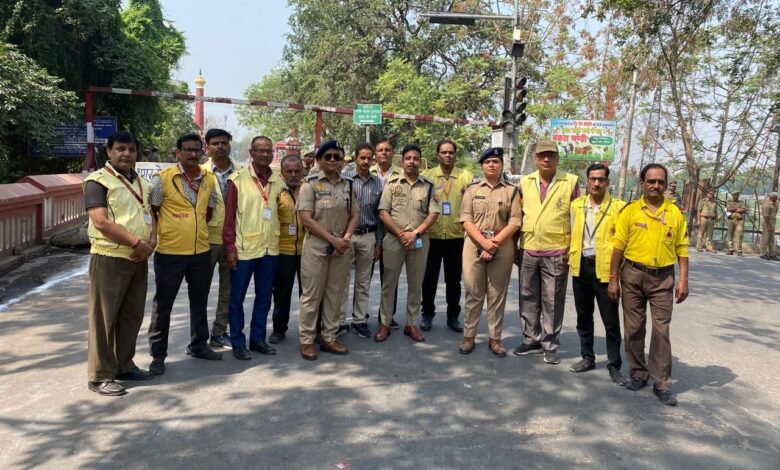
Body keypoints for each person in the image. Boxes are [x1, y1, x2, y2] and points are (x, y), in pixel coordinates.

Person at [608, 163, 689, 406]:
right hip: (632, 275)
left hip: (663, 278)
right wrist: (613, 279)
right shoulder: (630, 211)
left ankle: (662, 383)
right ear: (642, 183)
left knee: (661, 331)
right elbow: (618, 247)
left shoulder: (674, 213)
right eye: (651, 181)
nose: (656, 186)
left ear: (665, 185)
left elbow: (682, 249)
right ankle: (638, 373)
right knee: (633, 328)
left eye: (660, 182)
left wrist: (683, 279)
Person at [83, 131, 155, 396]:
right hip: (110, 257)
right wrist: (136, 243)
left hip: (138, 258)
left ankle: (124, 365)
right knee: (104, 320)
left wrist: (151, 242)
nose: (126, 154)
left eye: (131, 149)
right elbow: (100, 221)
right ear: (109, 152)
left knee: (131, 316)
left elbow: (150, 215)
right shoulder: (98, 181)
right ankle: (100, 376)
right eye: (121, 149)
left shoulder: (142, 182)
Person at [148, 133, 221, 375]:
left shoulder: (209, 179)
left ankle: (199, 345)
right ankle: (158, 355)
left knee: (199, 300)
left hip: (201, 250)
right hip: (170, 252)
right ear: (177, 153)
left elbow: (208, 212)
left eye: (196, 150)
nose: (193, 154)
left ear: (203, 152)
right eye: (187, 150)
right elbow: (153, 210)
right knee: (163, 305)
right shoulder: (163, 179)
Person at [514, 140, 579, 365]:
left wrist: (572, 251)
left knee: (552, 301)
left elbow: (577, 219)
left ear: (557, 159)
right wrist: (515, 247)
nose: (546, 159)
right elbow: (517, 216)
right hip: (529, 248)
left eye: (551, 155)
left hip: (557, 251)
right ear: (535, 159)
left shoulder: (570, 181)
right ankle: (531, 339)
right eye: (542, 155)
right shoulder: (525, 182)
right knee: (527, 297)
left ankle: (550, 344)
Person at [297, 140, 359, 360]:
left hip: (341, 246)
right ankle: (306, 340)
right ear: (319, 160)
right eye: (328, 156)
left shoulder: (348, 184)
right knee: (312, 295)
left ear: (342, 161)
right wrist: (333, 240)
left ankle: (329, 337)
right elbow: (306, 218)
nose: (333, 160)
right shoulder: (310, 185)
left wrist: (346, 238)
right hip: (317, 245)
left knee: (335, 294)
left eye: (337, 157)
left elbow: (355, 214)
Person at [222, 136, 282, 360]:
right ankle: (238, 341)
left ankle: (257, 339)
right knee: (236, 298)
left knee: (264, 297)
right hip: (244, 249)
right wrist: (230, 248)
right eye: (260, 151)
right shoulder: (237, 180)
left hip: (270, 249)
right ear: (251, 153)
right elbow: (229, 219)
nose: (265, 155)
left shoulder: (278, 180)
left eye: (268, 151)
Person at [568, 163, 627, 385]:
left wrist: (615, 277)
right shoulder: (576, 205)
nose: (596, 183)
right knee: (584, 316)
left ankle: (614, 364)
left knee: (610, 320)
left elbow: (623, 242)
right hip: (581, 266)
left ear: (608, 182)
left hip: (605, 269)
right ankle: (587, 357)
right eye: (592, 179)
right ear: (586, 180)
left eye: (601, 179)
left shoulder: (619, 208)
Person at [458, 148, 521, 357]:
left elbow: (515, 221)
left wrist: (493, 243)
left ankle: (495, 339)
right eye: (487, 162)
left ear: (502, 165)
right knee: (473, 293)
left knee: (496, 295)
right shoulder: (472, 190)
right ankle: (469, 336)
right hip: (474, 245)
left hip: (501, 246)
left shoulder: (512, 191)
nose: (491, 165)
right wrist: (484, 243)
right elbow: (466, 219)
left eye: (495, 161)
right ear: (482, 166)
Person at [374, 144, 439, 342]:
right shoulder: (392, 184)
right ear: (401, 162)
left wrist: (415, 233)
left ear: (420, 162)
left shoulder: (428, 186)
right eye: (408, 158)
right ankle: (385, 323)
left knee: (416, 285)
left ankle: (411, 324)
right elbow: (383, 212)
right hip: (394, 240)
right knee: (388, 284)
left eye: (416, 158)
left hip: (419, 241)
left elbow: (433, 213)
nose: (412, 161)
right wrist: (402, 234)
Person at [421, 138, 474, 333]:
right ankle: (427, 314)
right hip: (432, 236)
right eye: (444, 152)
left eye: (451, 152)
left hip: (456, 237)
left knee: (454, 281)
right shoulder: (427, 177)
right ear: (437, 155)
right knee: (429, 279)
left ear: (455, 155)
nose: (448, 155)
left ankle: (453, 316)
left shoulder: (466, 177)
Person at [340, 143, 383, 339]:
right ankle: (339, 321)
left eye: (369, 158)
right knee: (342, 281)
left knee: (363, 282)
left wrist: (378, 242)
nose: (366, 161)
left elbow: (380, 215)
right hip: (347, 236)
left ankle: (359, 320)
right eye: (362, 157)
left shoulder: (377, 183)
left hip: (368, 236)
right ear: (355, 158)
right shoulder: (345, 179)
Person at [201, 128, 236, 349]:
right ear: (208, 147)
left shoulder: (241, 172)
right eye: (215, 143)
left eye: (224, 143)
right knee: (200, 290)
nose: (220, 147)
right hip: (207, 239)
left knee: (228, 290)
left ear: (229, 145)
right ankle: (198, 337)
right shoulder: (199, 172)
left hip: (233, 240)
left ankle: (220, 332)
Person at [269, 155, 305, 344]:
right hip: (283, 250)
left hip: (306, 250)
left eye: (297, 171)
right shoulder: (275, 190)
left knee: (308, 293)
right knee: (282, 293)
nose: (293, 175)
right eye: (289, 171)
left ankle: (310, 329)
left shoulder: (308, 189)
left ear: (302, 172)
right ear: (281, 172)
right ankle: (279, 329)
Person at [371, 138, 402, 329]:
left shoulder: (401, 174)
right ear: (375, 154)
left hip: (392, 230)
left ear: (393, 153)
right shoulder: (368, 172)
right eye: (380, 150)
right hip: (370, 228)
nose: (384, 153)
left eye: (388, 150)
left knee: (390, 275)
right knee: (363, 277)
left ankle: (388, 316)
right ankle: (359, 316)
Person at [696, 189, 718, 253]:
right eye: (710, 193)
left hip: (711, 220)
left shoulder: (715, 202)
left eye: (713, 194)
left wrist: (716, 220)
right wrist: (698, 220)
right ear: (707, 194)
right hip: (704, 219)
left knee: (709, 235)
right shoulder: (703, 201)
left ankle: (709, 248)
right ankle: (699, 246)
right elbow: (699, 211)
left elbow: (715, 212)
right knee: (701, 233)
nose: (712, 195)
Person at [725, 191, 746, 256]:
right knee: (730, 235)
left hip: (739, 221)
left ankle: (739, 251)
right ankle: (730, 249)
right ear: (732, 195)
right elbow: (728, 209)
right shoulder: (729, 202)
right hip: (730, 220)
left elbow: (743, 210)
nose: (736, 196)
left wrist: (733, 209)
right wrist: (737, 209)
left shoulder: (741, 202)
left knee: (739, 236)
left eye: (737, 195)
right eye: (734, 195)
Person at [760, 192, 778, 260]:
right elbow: (765, 216)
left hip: (772, 222)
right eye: (776, 198)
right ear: (773, 198)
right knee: (765, 238)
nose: (777, 199)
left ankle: (772, 254)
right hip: (767, 222)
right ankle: (763, 253)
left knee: (771, 239)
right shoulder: (767, 204)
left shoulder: (774, 204)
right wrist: (768, 226)